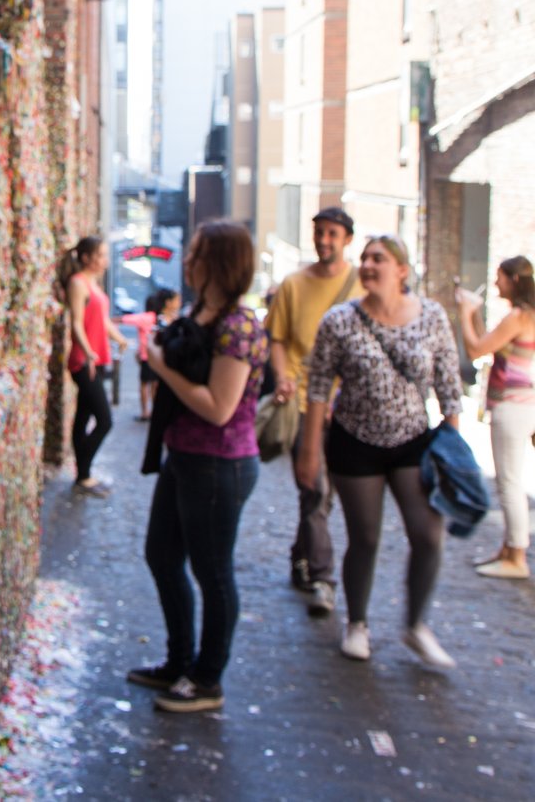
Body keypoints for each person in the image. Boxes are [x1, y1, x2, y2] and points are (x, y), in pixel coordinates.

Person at [298, 236, 461, 668]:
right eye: (366, 259)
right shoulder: (340, 321)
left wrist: (452, 449)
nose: (369, 266)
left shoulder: (432, 317)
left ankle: (416, 624)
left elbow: (449, 388)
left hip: (413, 442)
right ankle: (358, 623)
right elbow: (318, 389)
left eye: (379, 259)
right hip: (355, 444)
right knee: (365, 537)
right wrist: (309, 451)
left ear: (401, 270)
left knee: (428, 534)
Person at [127, 221, 267, 713]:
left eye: (197, 253)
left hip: (219, 465)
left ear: (220, 263)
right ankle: (179, 661)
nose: (187, 260)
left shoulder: (239, 326)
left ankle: (207, 680)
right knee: (162, 556)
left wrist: (161, 366)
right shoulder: (201, 313)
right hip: (185, 457)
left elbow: (218, 407)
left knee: (213, 573)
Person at [265, 207, 361, 617]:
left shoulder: (360, 287)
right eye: (319, 232)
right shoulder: (293, 284)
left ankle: (301, 554)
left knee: (324, 494)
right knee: (315, 489)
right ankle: (323, 577)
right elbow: (278, 337)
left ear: (347, 239)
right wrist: (283, 376)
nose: (325, 240)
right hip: (306, 404)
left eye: (333, 234)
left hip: (349, 409)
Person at [455, 255, 535, 579]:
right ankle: (508, 548)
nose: (497, 282)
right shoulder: (524, 317)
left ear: (514, 280)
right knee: (510, 481)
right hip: (521, 405)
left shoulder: (518, 317)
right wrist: (474, 314)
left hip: (512, 407)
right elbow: (489, 343)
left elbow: (476, 349)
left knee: (509, 483)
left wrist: (464, 312)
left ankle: (516, 556)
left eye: (500, 277)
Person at [63, 237, 128, 496]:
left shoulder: (93, 284)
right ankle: (84, 472)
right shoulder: (78, 283)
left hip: (97, 359)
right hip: (84, 361)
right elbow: (76, 322)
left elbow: (101, 321)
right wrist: (88, 351)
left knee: (84, 417)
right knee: (104, 420)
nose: (105, 261)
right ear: (87, 257)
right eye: (101, 255)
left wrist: (119, 339)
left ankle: (83, 476)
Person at [129, 289, 182, 421]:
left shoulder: (173, 319)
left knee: (152, 386)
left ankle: (154, 412)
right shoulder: (160, 320)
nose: (179, 302)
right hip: (157, 360)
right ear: (168, 303)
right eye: (177, 299)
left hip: (161, 361)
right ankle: (150, 412)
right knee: (152, 385)